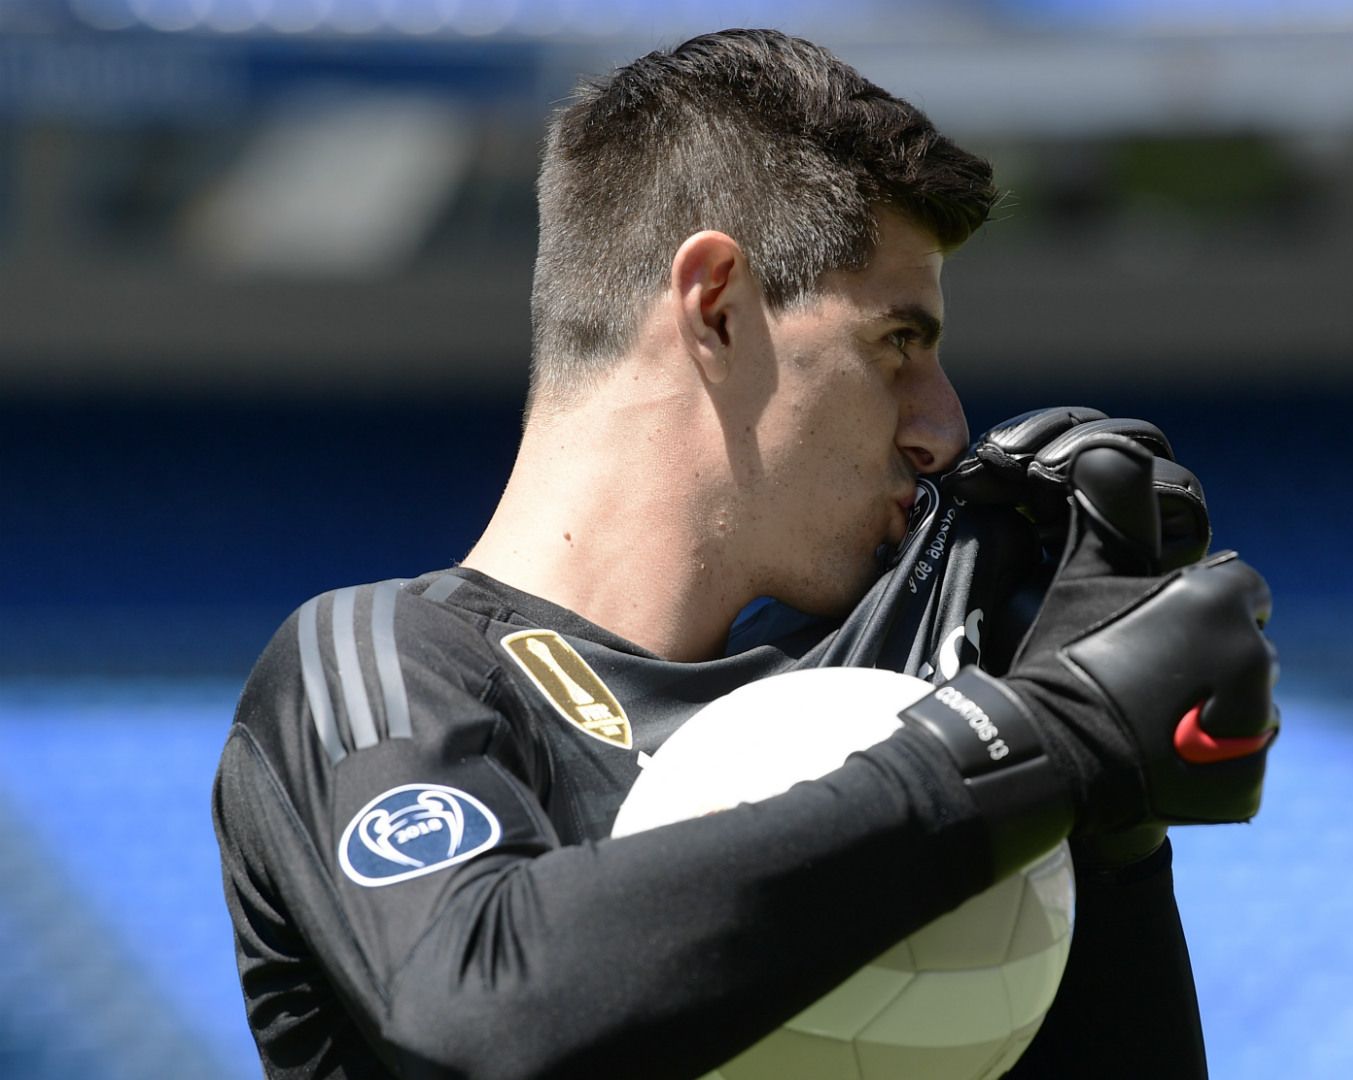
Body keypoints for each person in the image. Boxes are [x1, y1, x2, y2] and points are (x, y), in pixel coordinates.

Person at [213, 28, 1278, 1080]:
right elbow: (479, 1007)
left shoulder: (860, 715)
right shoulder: (377, 663)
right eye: (897, 343)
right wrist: (1042, 737)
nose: (944, 427)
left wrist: (1108, 822)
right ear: (717, 308)